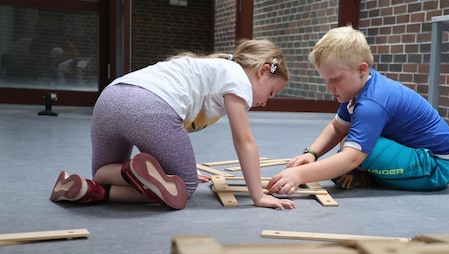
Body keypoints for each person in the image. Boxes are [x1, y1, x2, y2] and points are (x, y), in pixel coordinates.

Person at [50, 39, 296, 210]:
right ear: (263, 71)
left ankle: (87, 189)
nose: (265, 102)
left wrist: (177, 166)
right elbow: (244, 141)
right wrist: (258, 195)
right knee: (183, 187)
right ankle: (118, 184)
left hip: (109, 98)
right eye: (272, 93)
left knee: (104, 174)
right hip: (150, 106)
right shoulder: (238, 78)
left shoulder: (214, 68)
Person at [266, 26, 449, 195]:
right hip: (417, 153)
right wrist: (312, 154)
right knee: (350, 141)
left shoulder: (372, 103)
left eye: (335, 79)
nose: (329, 88)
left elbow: (351, 158)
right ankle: (369, 172)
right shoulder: (358, 88)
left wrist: (299, 175)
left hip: (436, 167)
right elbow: (337, 127)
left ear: (361, 69)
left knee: (355, 151)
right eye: (325, 80)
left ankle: (370, 174)